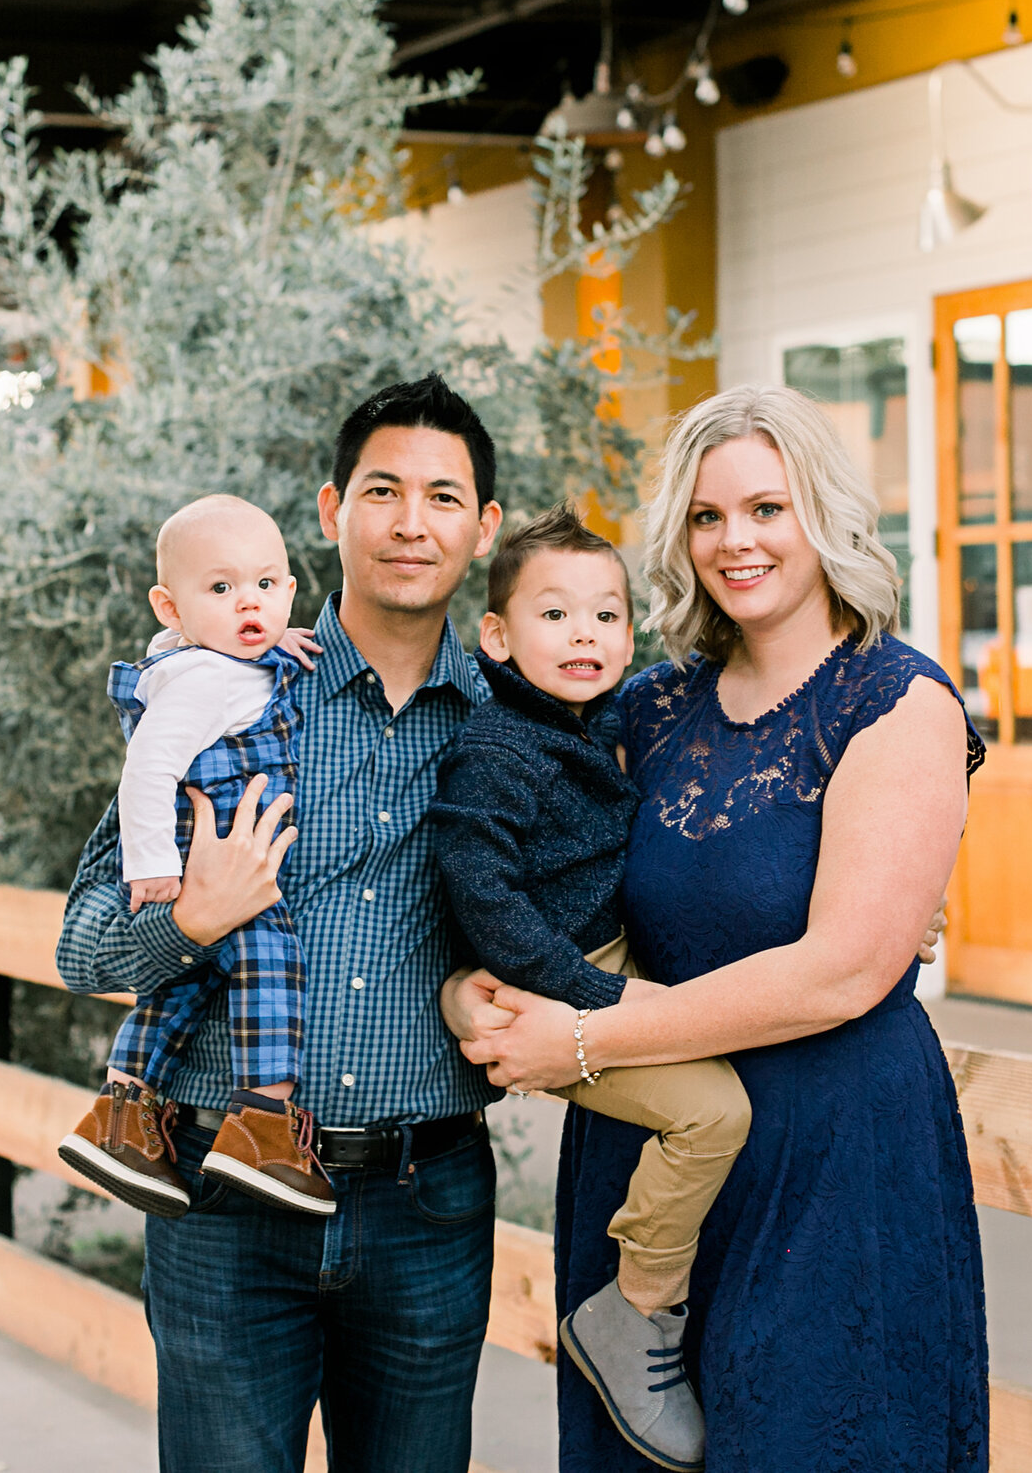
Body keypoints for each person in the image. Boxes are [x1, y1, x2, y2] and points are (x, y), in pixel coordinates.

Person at [450, 385, 992, 1473]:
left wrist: (583, 1038)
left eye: (765, 508)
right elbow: (528, 849)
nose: (734, 540)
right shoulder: (645, 706)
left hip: (832, 1161)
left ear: (823, 514)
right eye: (707, 516)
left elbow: (842, 970)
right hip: (658, 1161)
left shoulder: (897, 699)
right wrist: (469, 984)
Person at [56, 374, 506, 1473]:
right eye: (382, 490)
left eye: (444, 497)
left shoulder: (507, 724)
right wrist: (190, 917)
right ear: (331, 511)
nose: (411, 522)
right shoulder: (230, 689)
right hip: (223, 1198)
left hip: (426, 1200)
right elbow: (81, 946)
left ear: (484, 526)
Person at [427, 504, 750, 1473]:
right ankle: (635, 1306)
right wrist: (591, 1000)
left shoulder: (597, 716)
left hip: (604, 967)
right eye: (556, 613)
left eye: (606, 615)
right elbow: (481, 891)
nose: (585, 635)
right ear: (497, 636)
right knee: (714, 1113)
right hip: (552, 991)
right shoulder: (497, 749)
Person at [59, 495, 335, 1219]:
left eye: (266, 585)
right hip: (221, 866)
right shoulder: (206, 679)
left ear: (290, 590)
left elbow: (238, 654)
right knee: (271, 961)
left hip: (212, 870)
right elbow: (147, 767)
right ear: (170, 606)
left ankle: (123, 1110)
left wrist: (269, 639)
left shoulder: (214, 661)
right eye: (221, 587)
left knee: (182, 988)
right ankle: (264, 1122)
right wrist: (152, 865)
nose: (249, 601)